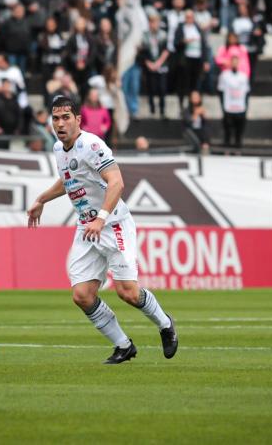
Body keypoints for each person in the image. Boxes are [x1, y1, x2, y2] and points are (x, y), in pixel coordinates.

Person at [26, 96, 178, 364]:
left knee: (128, 292)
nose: (60, 124)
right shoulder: (59, 150)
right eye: (56, 118)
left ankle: (165, 324)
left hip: (113, 223)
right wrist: (41, 199)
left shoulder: (92, 145)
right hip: (87, 227)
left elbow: (116, 182)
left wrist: (102, 217)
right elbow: (68, 181)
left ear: (78, 119)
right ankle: (123, 345)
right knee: (82, 296)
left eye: (66, 118)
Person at [218, 55, 250, 148]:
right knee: (228, 130)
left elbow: (247, 92)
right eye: (233, 61)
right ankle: (227, 148)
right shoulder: (224, 75)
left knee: (239, 131)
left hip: (240, 107)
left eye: (236, 61)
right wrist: (223, 106)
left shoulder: (243, 76)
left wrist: (245, 107)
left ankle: (238, 148)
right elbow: (220, 91)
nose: (234, 63)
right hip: (228, 107)